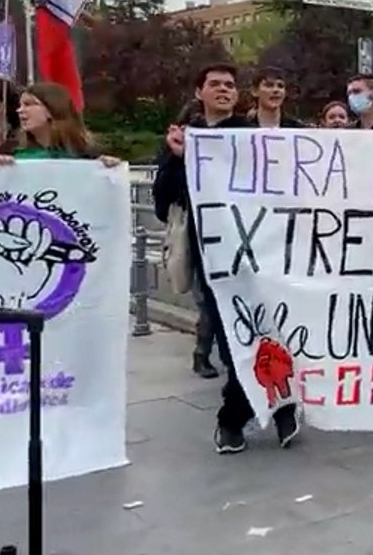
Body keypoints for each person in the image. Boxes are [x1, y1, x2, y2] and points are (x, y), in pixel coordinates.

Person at [152, 62, 300, 454]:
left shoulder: (252, 137)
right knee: (234, 340)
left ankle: (274, 407)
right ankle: (237, 417)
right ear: (199, 92)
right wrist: (178, 158)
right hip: (214, 260)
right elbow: (162, 203)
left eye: (230, 85)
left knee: (275, 332)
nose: (223, 90)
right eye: (214, 84)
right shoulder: (182, 140)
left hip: (262, 254)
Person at [0, 82, 120, 166]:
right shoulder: (9, 150)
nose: (20, 110)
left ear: (51, 110)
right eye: (20, 105)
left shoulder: (87, 153)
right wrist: (0, 172)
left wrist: (108, 170)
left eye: (29, 104)